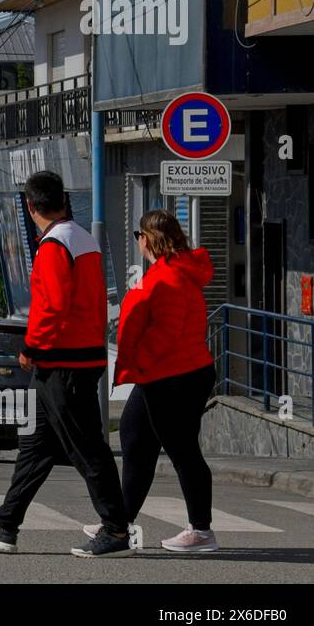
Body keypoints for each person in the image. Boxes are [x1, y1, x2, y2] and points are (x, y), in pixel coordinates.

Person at [0, 171, 132, 558]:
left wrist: (31, 347)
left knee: (87, 447)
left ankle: (117, 531)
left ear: (29, 205)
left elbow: (51, 306)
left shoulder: (54, 245)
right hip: (78, 356)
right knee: (36, 446)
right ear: (64, 199)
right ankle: (6, 524)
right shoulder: (83, 238)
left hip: (62, 362)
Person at [83, 209, 218, 552]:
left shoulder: (170, 278)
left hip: (174, 376)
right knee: (134, 438)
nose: (138, 242)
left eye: (138, 236)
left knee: (183, 451)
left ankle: (201, 531)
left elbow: (166, 334)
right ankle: (119, 524)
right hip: (165, 374)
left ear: (148, 239)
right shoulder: (168, 273)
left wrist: (139, 362)